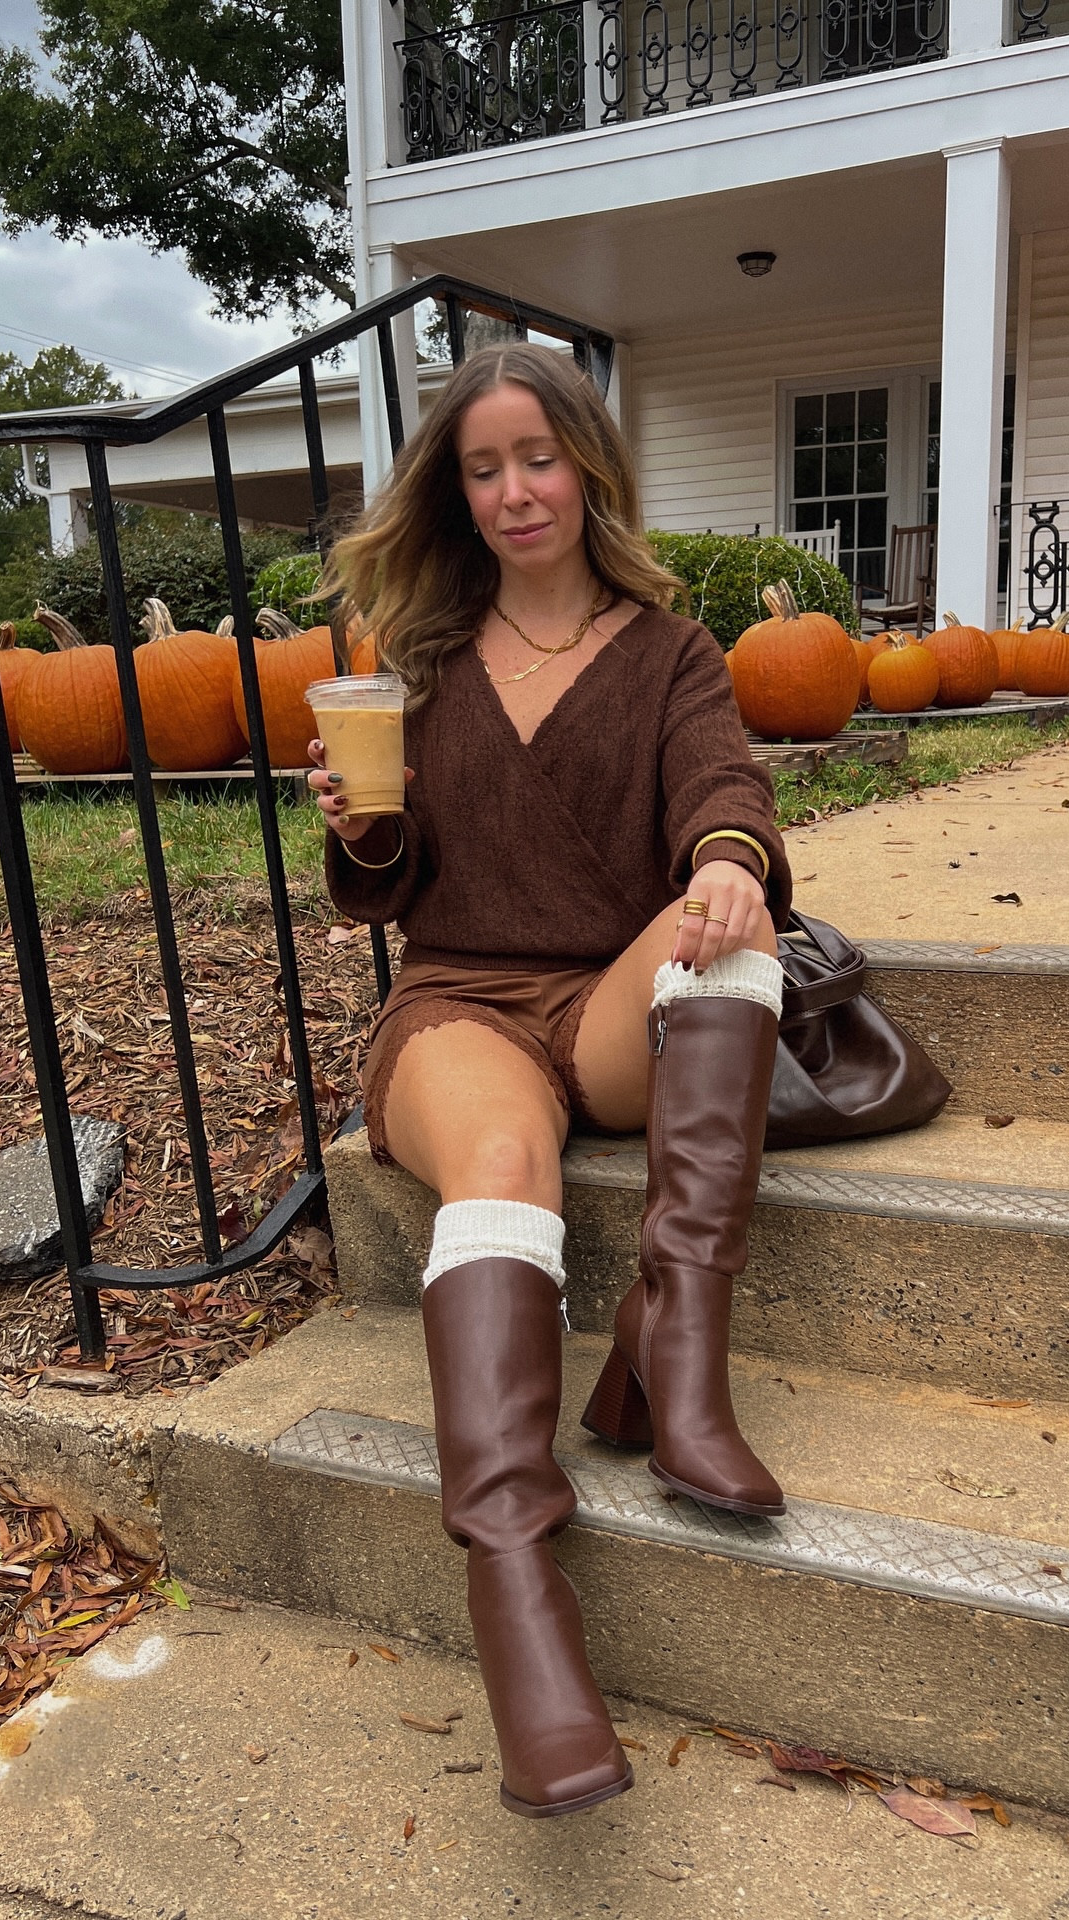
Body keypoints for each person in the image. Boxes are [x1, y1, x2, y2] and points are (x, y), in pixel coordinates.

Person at [308, 342, 792, 1820]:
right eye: (482, 466)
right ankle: (518, 1592)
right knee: (504, 1169)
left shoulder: (668, 653)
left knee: (736, 926)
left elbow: (725, 784)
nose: (515, 491)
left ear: (586, 466)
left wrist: (723, 864)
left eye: (538, 458)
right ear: (456, 494)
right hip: (454, 1007)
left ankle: (682, 1367)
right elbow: (384, 898)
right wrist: (363, 827)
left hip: (601, 1002)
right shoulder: (427, 665)